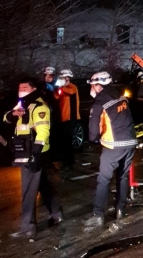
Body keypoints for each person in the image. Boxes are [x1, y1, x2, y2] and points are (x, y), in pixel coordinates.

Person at [5, 78, 63, 241]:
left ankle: (28, 227)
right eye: (19, 87)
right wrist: (12, 114)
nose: (20, 90)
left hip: (34, 153)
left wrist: (36, 153)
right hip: (25, 151)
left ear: (33, 89)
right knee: (42, 185)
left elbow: (44, 131)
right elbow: (6, 119)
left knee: (28, 190)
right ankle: (56, 213)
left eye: (24, 87)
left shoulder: (39, 107)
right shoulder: (22, 105)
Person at [84, 72, 137, 228]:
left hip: (114, 145)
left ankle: (98, 214)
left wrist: (93, 139)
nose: (91, 88)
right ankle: (120, 209)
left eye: (92, 85)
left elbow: (93, 129)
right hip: (130, 141)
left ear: (99, 85)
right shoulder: (120, 95)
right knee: (123, 176)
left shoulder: (100, 102)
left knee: (104, 179)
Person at [53, 69, 80, 170]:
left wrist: (62, 85)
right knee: (64, 141)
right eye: (62, 78)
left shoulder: (72, 87)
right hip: (63, 117)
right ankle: (68, 161)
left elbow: (70, 92)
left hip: (71, 117)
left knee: (67, 140)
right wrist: (57, 88)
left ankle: (69, 163)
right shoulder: (62, 88)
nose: (63, 80)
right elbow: (56, 97)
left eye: (65, 78)